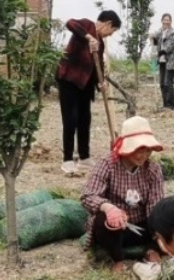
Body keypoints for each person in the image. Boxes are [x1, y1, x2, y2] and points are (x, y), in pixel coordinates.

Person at [80, 116, 164, 272]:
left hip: (141, 227)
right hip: (113, 230)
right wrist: (108, 208)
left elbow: (155, 206)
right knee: (102, 220)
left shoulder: (153, 170)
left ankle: (151, 249)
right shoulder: (108, 164)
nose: (143, 155)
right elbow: (88, 195)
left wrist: (158, 230)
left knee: (164, 213)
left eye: (147, 150)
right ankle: (117, 259)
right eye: (138, 150)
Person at [55, 10, 121, 175]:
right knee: (71, 120)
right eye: (112, 31)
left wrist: (101, 84)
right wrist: (88, 37)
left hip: (85, 86)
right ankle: (68, 160)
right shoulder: (86, 25)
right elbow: (70, 22)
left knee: (85, 120)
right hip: (69, 80)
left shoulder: (101, 44)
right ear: (108, 24)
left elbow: (95, 69)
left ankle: (84, 157)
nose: (110, 35)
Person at [150, 13, 174, 110]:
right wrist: (152, 37)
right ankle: (165, 105)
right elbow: (156, 42)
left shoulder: (173, 33)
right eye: (164, 20)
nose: (166, 22)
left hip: (171, 62)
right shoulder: (160, 32)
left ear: (170, 22)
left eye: (168, 20)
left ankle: (170, 105)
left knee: (168, 83)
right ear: (162, 21)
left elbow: (169, 47)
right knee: (162, 83)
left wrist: (160, 52)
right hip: (162, 61)